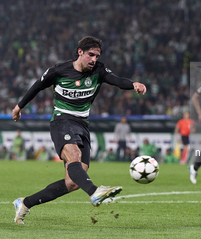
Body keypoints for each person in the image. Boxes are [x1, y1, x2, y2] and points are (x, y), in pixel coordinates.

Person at [11, 36, 147, 224]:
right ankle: (95, 192)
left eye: (97, 56)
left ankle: (25, 203)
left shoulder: (98, 70)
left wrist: (134, 84)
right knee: (73, 155)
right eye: (91, 55)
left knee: (73, 182)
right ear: (80, 52)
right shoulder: (59, 70)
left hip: (82, 125)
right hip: (61, 121)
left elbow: (116, 80)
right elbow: (37, 86)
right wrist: (19, 107)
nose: (94, 59)